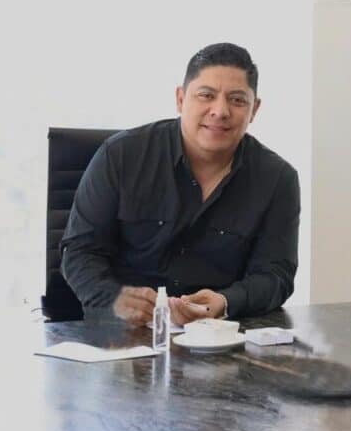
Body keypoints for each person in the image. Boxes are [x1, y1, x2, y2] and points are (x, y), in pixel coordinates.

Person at [61, 43, 300, 326]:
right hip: (124, 333)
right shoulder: (121, 155)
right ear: (180, 98)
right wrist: (113, 300)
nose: (220, 111)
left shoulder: (277, 179)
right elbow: (80, 252)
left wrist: (225, 302)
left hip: (218, 333)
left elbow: (275, 275)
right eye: (206, 95)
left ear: (254, 109)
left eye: (237, 100)